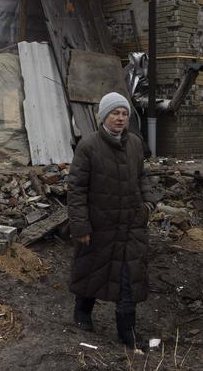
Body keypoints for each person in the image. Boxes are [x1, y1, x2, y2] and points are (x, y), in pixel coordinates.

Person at [67, 92, 157, 349]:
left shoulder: (136, 144)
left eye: (124, 113)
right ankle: (82, 313)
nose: (120, 118)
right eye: (114, 113)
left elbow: (143, 176)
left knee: (129, 279)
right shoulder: (88, 146)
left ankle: (126, 332)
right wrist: (81, 226)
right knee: (92, 271)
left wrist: (148, 205)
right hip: (99, 225)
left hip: (131, 224)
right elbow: (76, 189)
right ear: (104, 116)